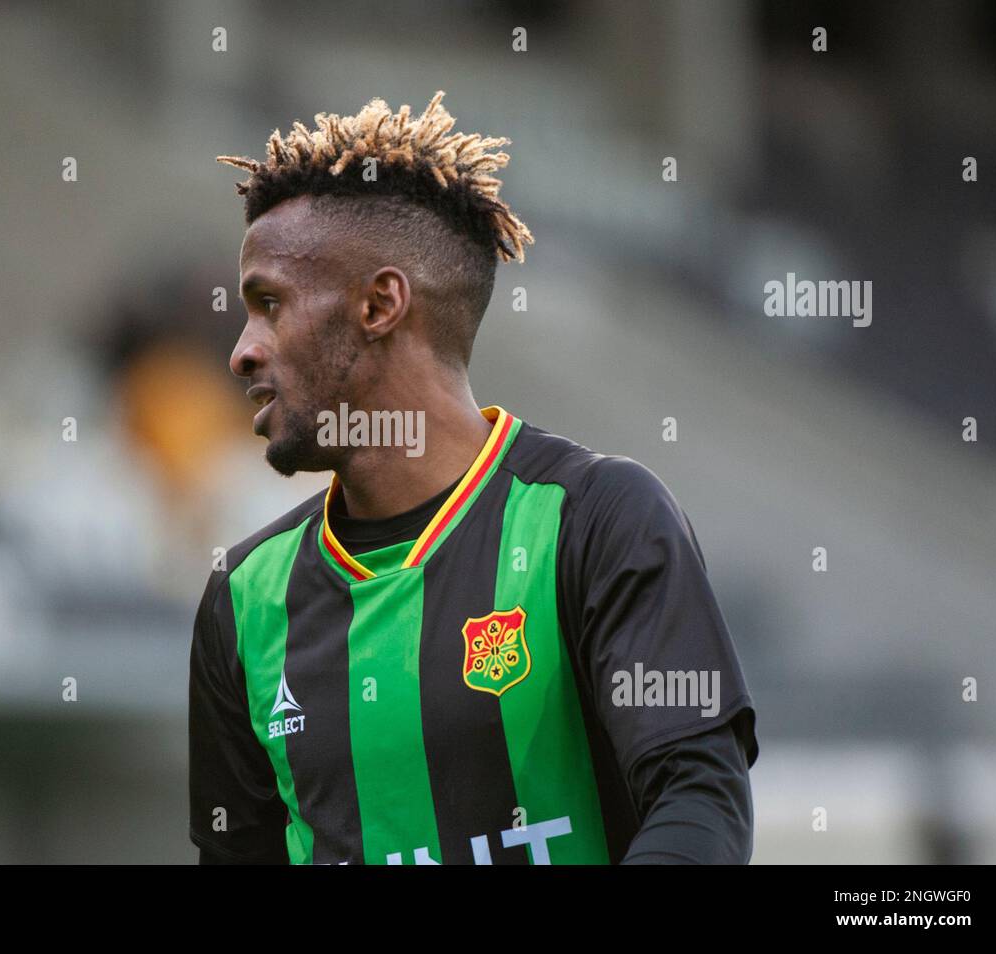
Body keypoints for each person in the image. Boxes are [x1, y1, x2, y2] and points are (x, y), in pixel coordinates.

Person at [189, 91, 757, 864]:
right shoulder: (244, 600)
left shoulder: (594, 523)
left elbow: (700, 802)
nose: (242, 351)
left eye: (270, 305)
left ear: (381, 304)